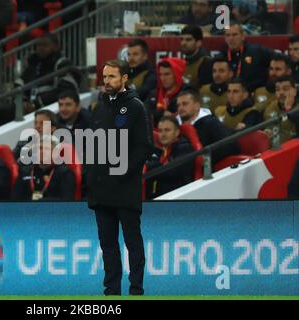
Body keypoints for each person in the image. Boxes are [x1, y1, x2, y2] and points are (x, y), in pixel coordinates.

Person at [88, 60, 152, 296]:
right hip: (102, 189)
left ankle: (136, 289)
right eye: (105, 77)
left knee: (132, 242)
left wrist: (123, 171)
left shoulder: (135, 107)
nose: (107, 82)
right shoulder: (99, 108)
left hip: (125, 188)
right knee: (108, 246)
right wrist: (91, 174)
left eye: (112, 77)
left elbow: (144, 147)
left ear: (124, 78)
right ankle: (111, 291)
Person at [0, 33, 79, 127]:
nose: (41, 48)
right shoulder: (32, 64)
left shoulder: (62, 63)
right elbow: (19, 84)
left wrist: (36, 104)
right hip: (27, 107)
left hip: (48, 106)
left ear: (56, 47)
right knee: (1, 112)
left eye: (45, 45)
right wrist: (23, 102)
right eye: (38, 45)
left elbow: (66, 89)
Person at [176, 89, 239, 165]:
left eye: (185, 104)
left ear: (197, 106)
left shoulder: (211, 123)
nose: (180, 108)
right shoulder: (177, 129)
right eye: (178, 105)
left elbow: (231, 146)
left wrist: (205, 159)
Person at [12, 135, 76, 201]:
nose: (42, 151)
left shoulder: (65, 173)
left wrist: (41, 201)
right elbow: (15, 198)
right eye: (40, 148)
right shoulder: (25, 171)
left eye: (47, 149)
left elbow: (66, 201)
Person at [145, 116, 194, 199]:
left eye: (167, 130)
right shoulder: (161, 151)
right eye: (160, 131)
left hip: (178, 199)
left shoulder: (184, 148)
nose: (163, 134)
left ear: (177, 132)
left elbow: (173, 172)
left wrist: (149, 165)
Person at [220, 21, 272, 92]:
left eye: (234, 35)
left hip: (254, 94)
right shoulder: (221, 57)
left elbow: (280, 59)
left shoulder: (257, 51)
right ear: (225, 38)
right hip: (230, 94)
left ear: (243, 36)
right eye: (228, 35)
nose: (231, 38)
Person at [145, 57, 189, 127]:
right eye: (160, 74)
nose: (163, 78)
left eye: (167, 74)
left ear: (176, 74)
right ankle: (123, 138)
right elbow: (144, 113)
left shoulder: (186, 93)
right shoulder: (154, 94)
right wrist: (162, 113)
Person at [263, 76, 299, 144]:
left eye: (285, 89)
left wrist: (288, 109)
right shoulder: (270, 107)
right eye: (278, 90)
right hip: (274, 149)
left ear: (294, 91)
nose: (281, 92)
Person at [180, 25, 213, 90]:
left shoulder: (206, 63)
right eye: (182, 39)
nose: (183, 43)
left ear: (199, 43)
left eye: (188, 40)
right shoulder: (185, 61)